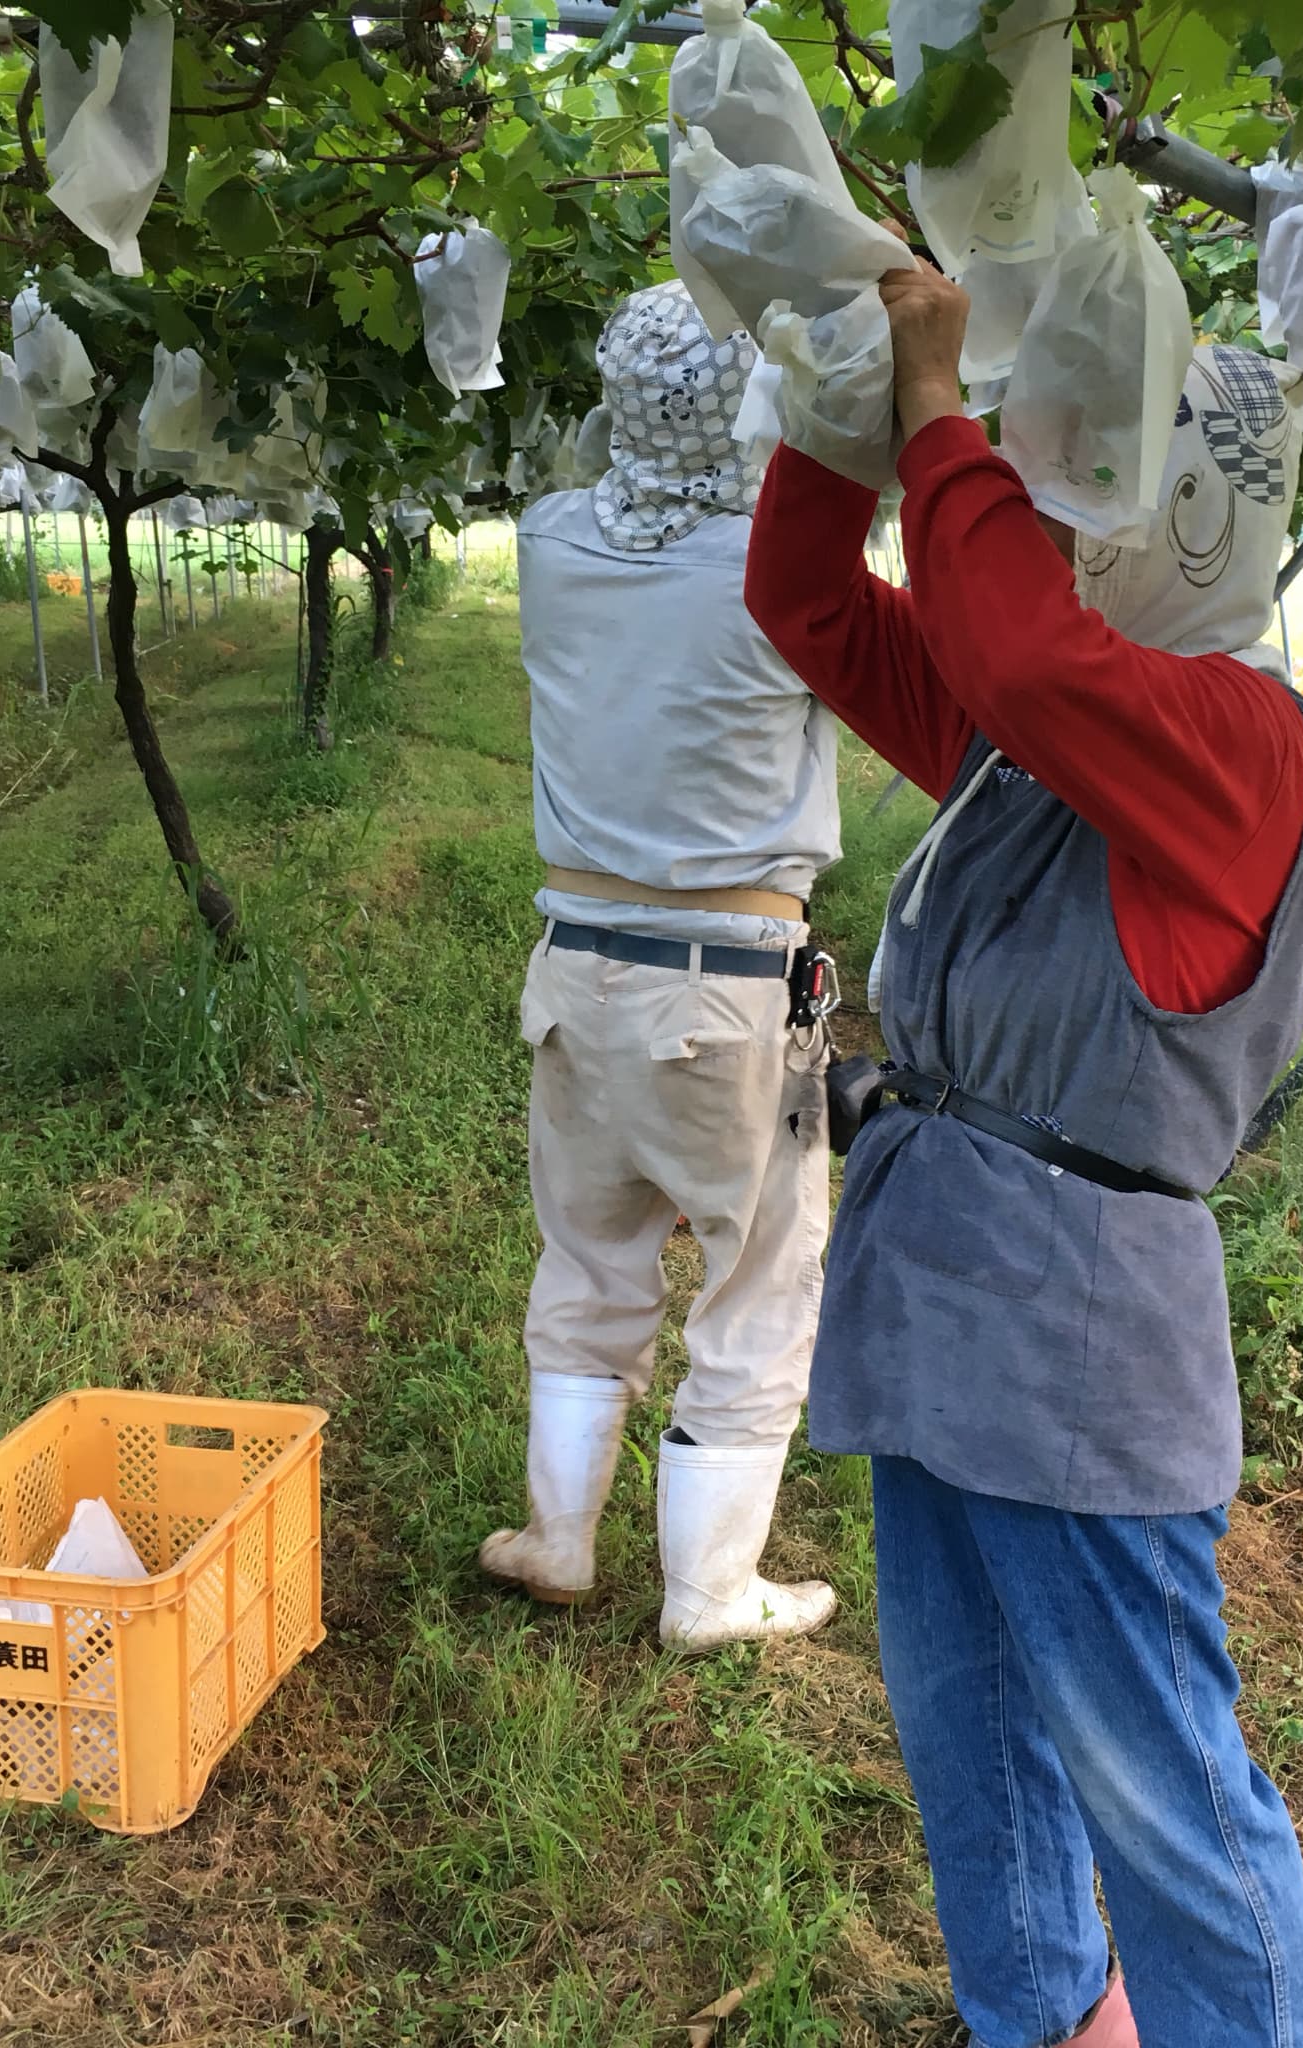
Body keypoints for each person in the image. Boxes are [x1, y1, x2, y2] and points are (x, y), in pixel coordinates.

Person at [743, 259, 1303, 2046]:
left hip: (1076, 1340)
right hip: (944, 1303)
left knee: (1160, 1782)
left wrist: (938, 406)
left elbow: (1008, 641)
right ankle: (1049, 2021)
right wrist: (848, 418)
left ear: (1192, 519)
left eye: (1093, 484)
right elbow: (807, 603)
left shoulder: (1239, 742)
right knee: (974, 1731)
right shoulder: (1044, 749)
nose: (1062, 518)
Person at [479, 279, 843, 1651]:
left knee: (589, 1250)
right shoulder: (783, 571)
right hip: (735, 976)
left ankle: (558, 1537)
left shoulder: (550, 541)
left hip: (577, 971)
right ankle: (707, 1591)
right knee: (756, 1272)